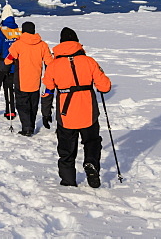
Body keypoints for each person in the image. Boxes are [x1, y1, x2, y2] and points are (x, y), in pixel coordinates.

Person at [42, 27, 112, 188]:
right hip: (89, 112)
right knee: (92, 142)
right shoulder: (89, 61)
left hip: (66, 114)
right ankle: (91, 163)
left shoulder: (53, 65)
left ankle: (68, 181)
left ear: (61, 43)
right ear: (77, 42)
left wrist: (46, 113)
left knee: (66, 150)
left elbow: (47, 91)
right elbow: (105, 87)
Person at [3, 21, 53, 135]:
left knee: (22, 105)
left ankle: (27, 128)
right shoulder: (43, 45)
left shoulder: (18, 44)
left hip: (21, 81)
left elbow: (8, 59)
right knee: (33, 105)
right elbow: (49, 62)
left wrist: (5, 67)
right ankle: (31, 126)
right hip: (36, 82)